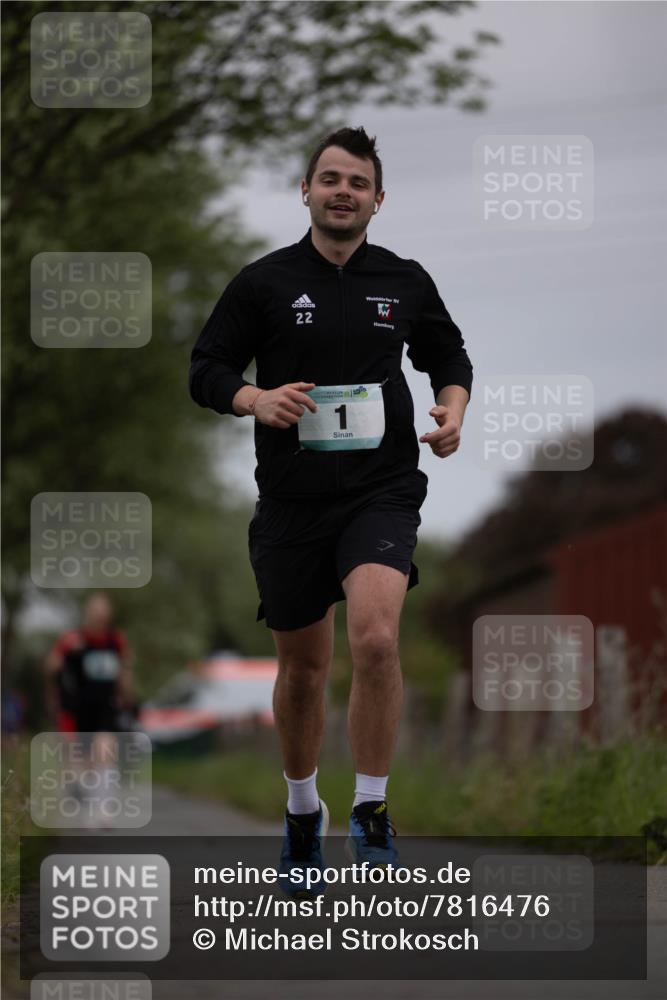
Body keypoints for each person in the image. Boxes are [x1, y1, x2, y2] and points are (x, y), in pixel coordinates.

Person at [189, 127, 472, 894]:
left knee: (376, 640)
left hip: (380, 490)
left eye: (357, 182)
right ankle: (301, 812)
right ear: (306, 192)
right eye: (329, 179)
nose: (342, 191)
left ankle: (372, 812)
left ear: (378, 199)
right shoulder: (264, 282)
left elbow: (447, 355)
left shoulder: (404, 281)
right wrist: (255, 396)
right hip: (290, 501)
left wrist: (452, 410)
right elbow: (206, 368)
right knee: (304, 670)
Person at [44, 592, 135, 822]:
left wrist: (127, 697)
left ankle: (103, 811)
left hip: (105, 707)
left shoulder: (116, 641)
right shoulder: (72, 640)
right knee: (79, 766)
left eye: (103, 614)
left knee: (104, 752)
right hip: (75, 709)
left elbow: (124, 672)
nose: (99, 618)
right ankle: (81, 798)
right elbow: (51, 668)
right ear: (88, 614)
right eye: (95, 613)